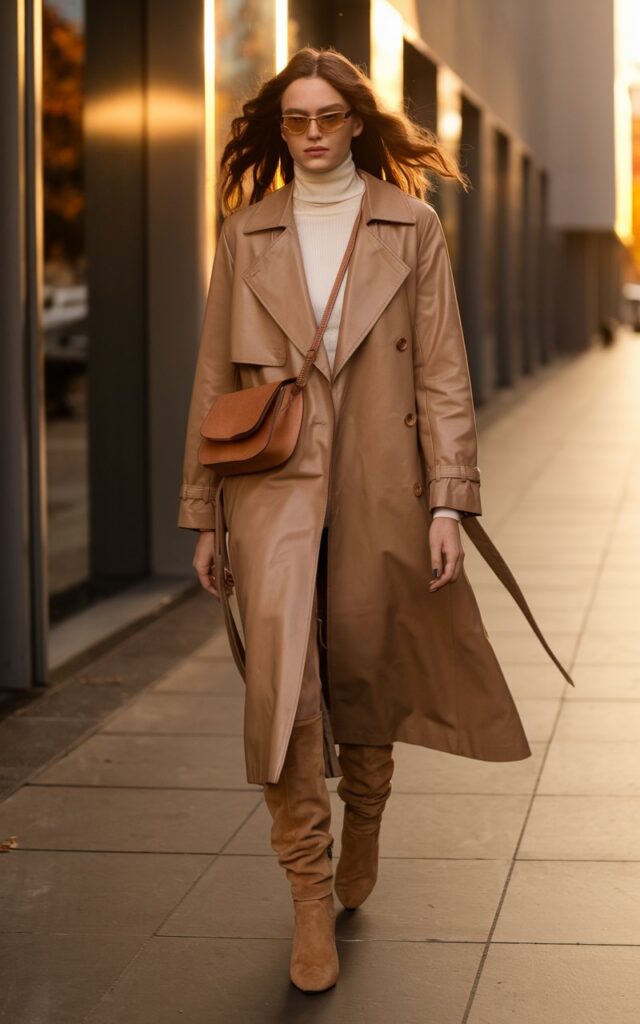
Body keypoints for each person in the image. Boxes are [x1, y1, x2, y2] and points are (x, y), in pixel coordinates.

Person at [177, 46, 571, 994]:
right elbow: (213, 379)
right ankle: (308, 892)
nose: (312, 134)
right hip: (272, 486)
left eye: (328, 117)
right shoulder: (246, 232)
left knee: (365, 664)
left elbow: (442, 370)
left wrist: (448, 502)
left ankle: (368, 814)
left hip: (382, 479)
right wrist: (204, 515)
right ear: (281, 130)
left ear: (356, 121)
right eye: (296, 120)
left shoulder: (412, 225)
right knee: (283, 690)